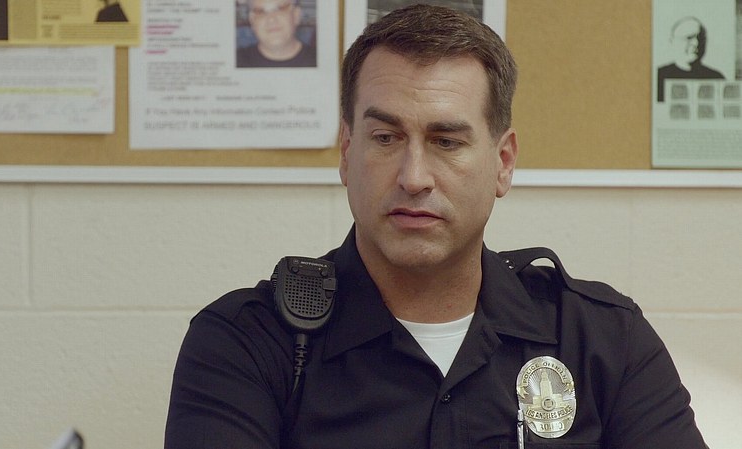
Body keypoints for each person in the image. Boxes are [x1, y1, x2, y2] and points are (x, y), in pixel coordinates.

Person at [166, 5, 708, 448]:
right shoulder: (248, 343)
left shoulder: (602, 339)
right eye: (385, 138)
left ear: (503, 162)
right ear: (347, 152)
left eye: (446, 142)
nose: (414, 177)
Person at [657, 16, 724, 102]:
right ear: (672, 42)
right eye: (688, 38)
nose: (696, 43)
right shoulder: (659, 76)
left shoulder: (716, 78)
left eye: (700, 38)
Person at [237, 0, 316, 68]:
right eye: (261, 12)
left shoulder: (319, 62)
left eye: (281, 9)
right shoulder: (236, 62)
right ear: (252, 21)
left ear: (296, 15)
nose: (271, 19)